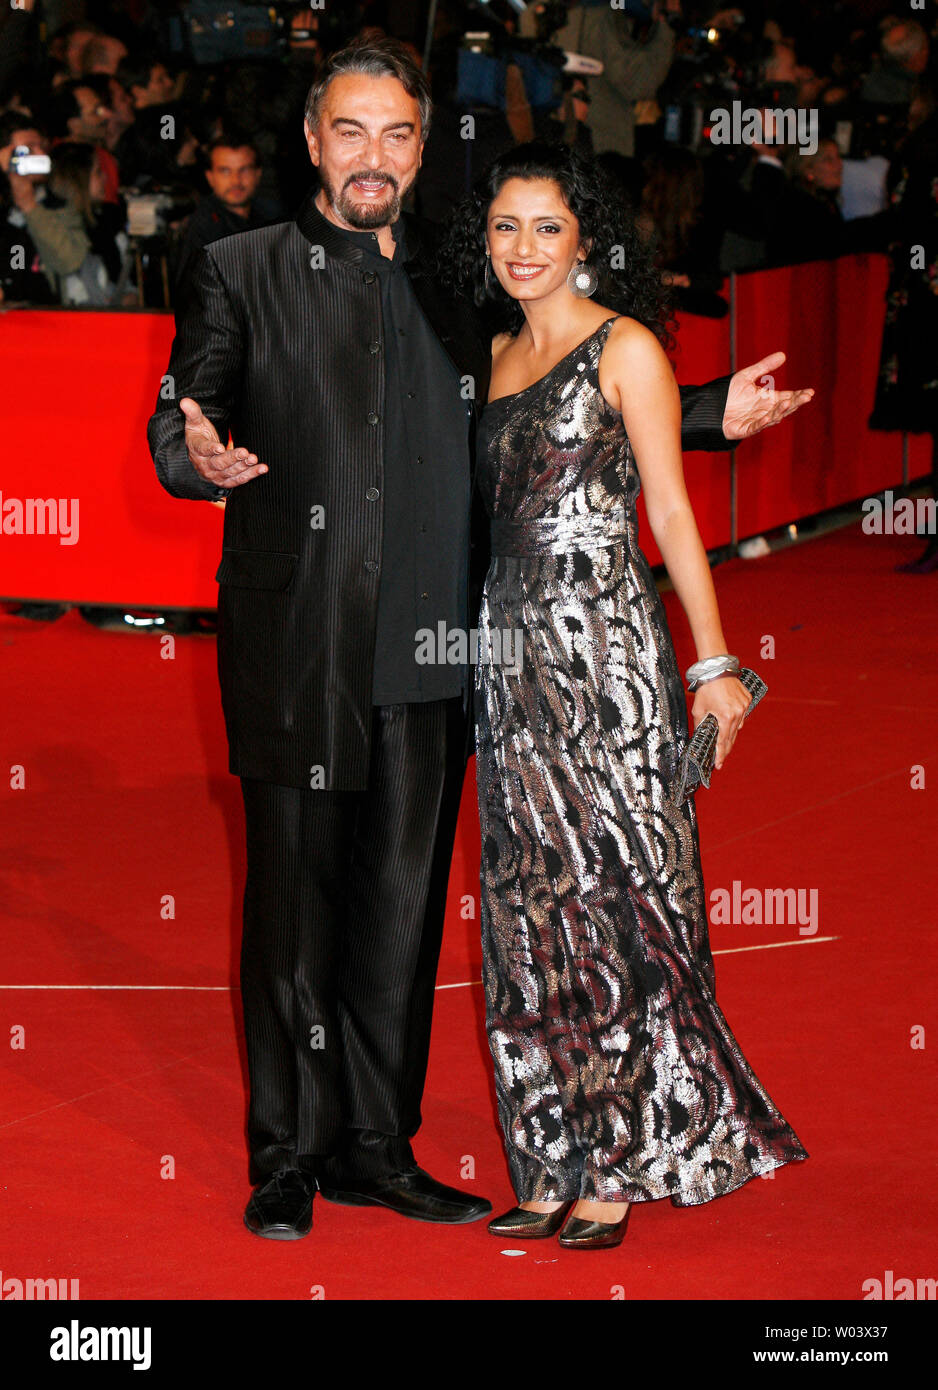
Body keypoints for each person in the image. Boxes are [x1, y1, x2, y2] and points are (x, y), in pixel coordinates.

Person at [147, 37, 813, 1244]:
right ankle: (287, 1153)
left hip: (446, 652)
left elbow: (556, 392)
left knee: (400, 911)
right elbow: (186, 405)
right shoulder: (236, 267)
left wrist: (708, 411)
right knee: (293, 912)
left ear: (417, 147)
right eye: (349, 132)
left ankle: (374, 1145)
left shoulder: (460, 279)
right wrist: (189, 459)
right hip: (297, 643)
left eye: (397, 134)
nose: (373, 156)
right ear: (311, 142)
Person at [443, 141, 809, 1248]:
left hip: (607, 658)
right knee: (524, 905)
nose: (523, 248)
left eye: (544, 227)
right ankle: (547, 1153)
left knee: (619, 893)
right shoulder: (496, 354)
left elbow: (674, 518)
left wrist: (712, 666)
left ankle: (620, 1154)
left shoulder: (627, 348)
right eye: (505, 227)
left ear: (585, 236)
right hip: (509, 661)